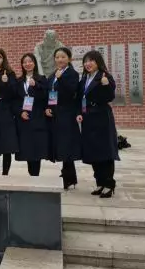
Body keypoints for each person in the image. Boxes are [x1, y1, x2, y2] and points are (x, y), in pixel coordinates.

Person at [76, 50, 120, 198]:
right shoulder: (84, 79)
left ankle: (109, 184)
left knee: (105, 151)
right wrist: (79, 113)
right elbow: (80, 99)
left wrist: (106, 85)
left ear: (98, 62)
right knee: (94, 151)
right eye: (86, 61)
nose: (88, 64)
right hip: (88, 118)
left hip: (102, 117)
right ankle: (100, 183)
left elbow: (110, 96)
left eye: (91, 60)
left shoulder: (105, 76)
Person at [45, 47, 82, 190]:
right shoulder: (53, 74)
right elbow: (50, 93)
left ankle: (69, 177)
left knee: (67, 145)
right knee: (61, 144)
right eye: (57, 57)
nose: (60, 59)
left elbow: (71, 92)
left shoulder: (72, 74)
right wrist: (48, 107)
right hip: (55, 114)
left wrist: (61, 79)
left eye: (63, 57)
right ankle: (68, 174)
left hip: (67, 114)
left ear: (69, 59)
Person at [13, 53, 49, 177]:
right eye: (25, 62)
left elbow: (45, 96)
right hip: (24, 119)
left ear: (34, 63)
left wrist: (36, 85)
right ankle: (31, 174)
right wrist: (20, 112)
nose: (27, 64)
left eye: (30, 61)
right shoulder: (19, 81)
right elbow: (15, 100)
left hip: (37, 117)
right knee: (27, 149)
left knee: (36, 149)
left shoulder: (41, 79)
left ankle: (35, 175)